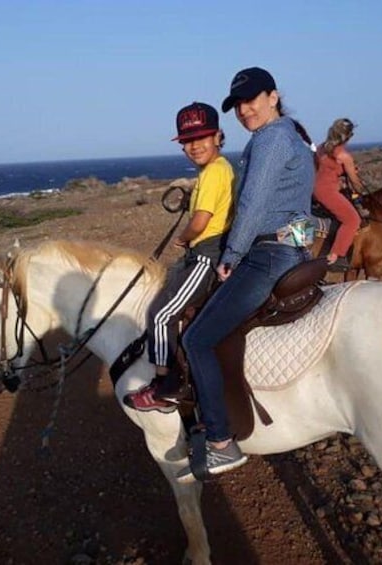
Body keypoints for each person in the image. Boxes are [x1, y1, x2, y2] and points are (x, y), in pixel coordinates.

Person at [176, 67, 316, 483]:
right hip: (292, 246)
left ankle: (221, 443)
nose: (243, 110)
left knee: (196, 338)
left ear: (273, 97)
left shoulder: (271, 138)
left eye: (252, 99)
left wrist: (232, 255)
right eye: (237, 105)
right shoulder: (294, 134)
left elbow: (253, 204)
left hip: (268, 254)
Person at [123, 102, 234, 414]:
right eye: (187, 141)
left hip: (206, 255)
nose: (194, 146)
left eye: (201, 138)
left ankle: (166, 385)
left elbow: (200, 222)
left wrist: (181, 239)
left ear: (217, 137)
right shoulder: (213, 171)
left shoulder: (214, 172)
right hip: (202, 251)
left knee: (160, 315)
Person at [313, 118, 366, 272]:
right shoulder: (344, 156)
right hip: (327, 191)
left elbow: (321, 170)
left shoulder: (321, 148)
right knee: (352, 220)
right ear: (348, 136)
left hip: (314, 189)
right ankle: (336, 255)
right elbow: (355, 182)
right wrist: (360, 188)